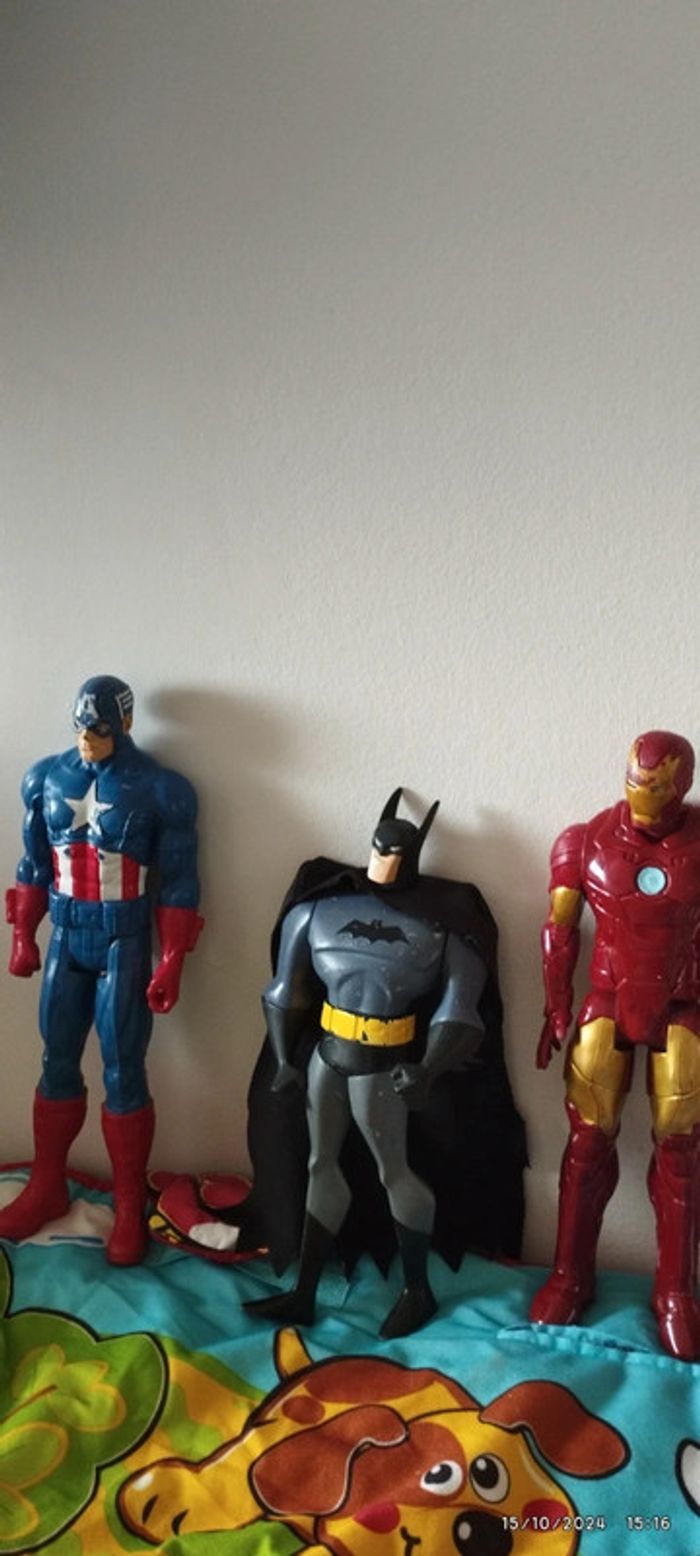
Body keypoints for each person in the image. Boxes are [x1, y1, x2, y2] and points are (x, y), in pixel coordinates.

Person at [243, 788, 526, 1337]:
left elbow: (460, 1013)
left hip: (384, 1064)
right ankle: (303, 1291)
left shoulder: (442, 928)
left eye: (395, 852)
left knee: (394, 1170)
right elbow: (283, 992)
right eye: (379, 849)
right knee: (319, 1164)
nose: (384, 861)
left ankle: (417, 1290)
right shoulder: (317, 910)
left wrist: (429, 1068)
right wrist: (282, 1057)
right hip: (327, 1056)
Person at [3, 675, 203, 1264]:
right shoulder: (45, 778)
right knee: (56, 1060)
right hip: (67, 934)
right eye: (80, 727)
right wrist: (22, 934)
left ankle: (127, 1205)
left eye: (100, 728)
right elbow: (32, 864)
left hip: (124, 938)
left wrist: (172, 960)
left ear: (125, 724)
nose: (87, 739)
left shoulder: (163, 790)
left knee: (124, 1071)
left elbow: (181, 881)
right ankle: (47, 1184)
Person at [532, 730, 700, 1360]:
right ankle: (569, 1274)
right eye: (636, 785)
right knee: (586, 1141)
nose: (644, 800)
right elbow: (559, 929)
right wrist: (556, 1006)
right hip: (607, 998)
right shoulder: (585, 841)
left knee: (681, 1147)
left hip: (684, 1004)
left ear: (682, 786)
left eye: (658, 789)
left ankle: (675, 1291)